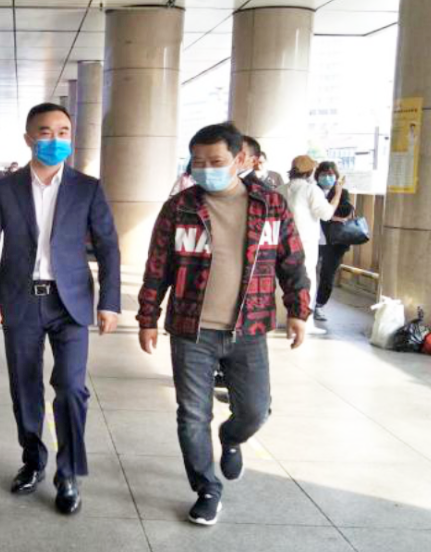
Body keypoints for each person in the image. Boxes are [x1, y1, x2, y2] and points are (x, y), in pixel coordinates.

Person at [137, 122, 311, 526]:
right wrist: (148, 317)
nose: (206, 169)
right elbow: (157, 267)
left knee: (254, 410)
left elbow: (292, 260)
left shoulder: (270, 205)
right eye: (197, 162)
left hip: (249, 329)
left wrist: (298, 310)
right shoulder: (179, 208)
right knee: (192, 415)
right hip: (191, 329)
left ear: (240, 159)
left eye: (215, 161)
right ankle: (207, 488)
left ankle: (232, 438)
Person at [0, 103, 121, 515]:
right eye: (45, 132)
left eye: (62, 132)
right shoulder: (5, 188)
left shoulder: (87, 188)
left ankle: (68, 472)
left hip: (69, 302)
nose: (55, 140)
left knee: (71, 387)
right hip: (19, 299)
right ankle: (33, 459)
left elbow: (108, 246)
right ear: (28, 138)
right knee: (24, 386)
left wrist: (110, 302)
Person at [279, 156, 345, 334]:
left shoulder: (280, 189)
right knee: (306, 278)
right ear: (310, 172)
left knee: (284, 279)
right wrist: (337, 194)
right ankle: (304, 322)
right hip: (305, 242)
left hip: (283, 241)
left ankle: (283, 319)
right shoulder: (311, 189)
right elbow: (326, 214)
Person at [314, 161, 354, 322]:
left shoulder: (342, 192)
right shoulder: (312, 190)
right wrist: (331, 216)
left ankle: (319, 305)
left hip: (335, 241)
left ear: (336, 176)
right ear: (317, 175)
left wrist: (336, 195)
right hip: (314, 238)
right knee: (306, 272)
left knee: (328, 275)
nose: (327, 177)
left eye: (330, 174)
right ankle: (304, 303)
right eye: (323, 174)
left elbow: (346, 211)